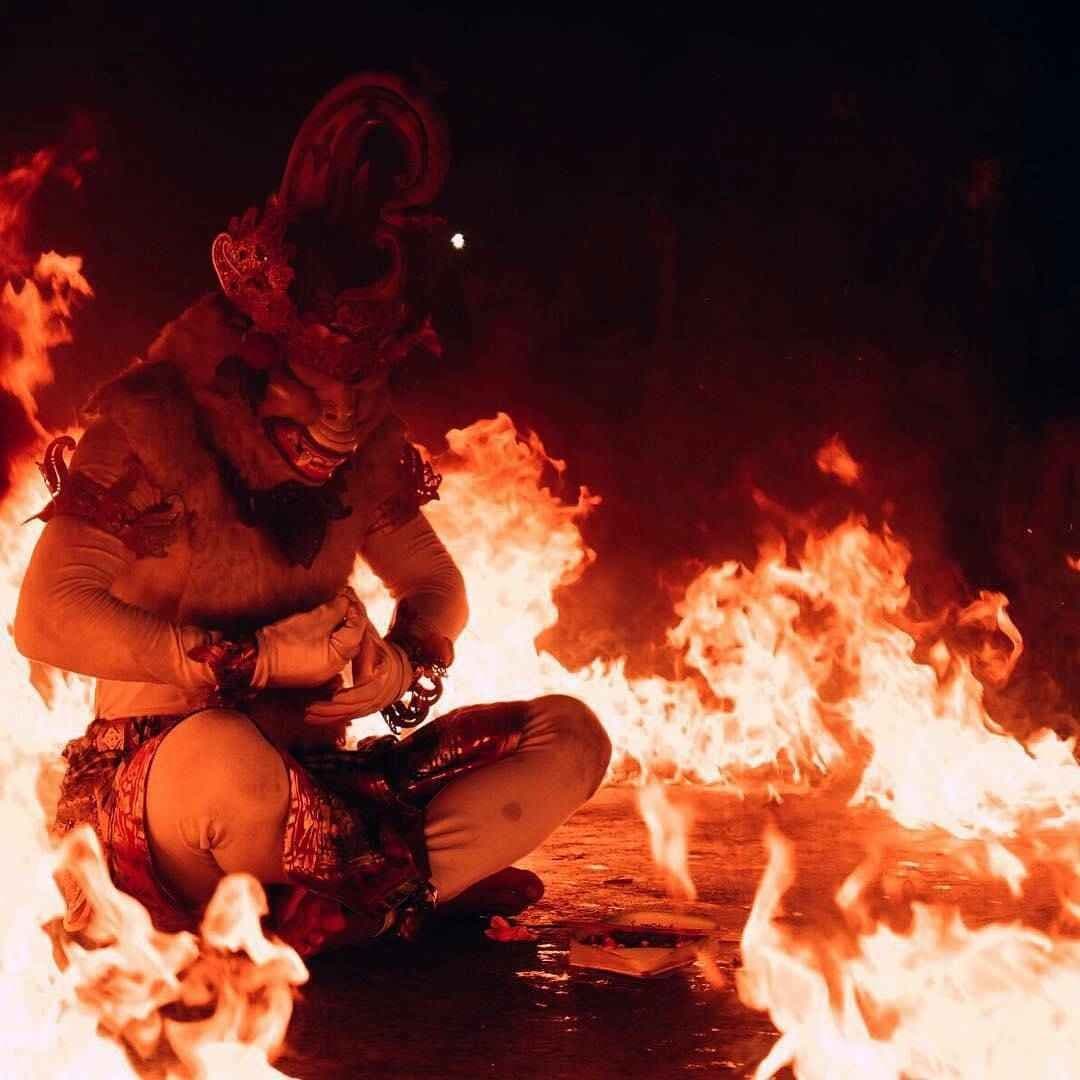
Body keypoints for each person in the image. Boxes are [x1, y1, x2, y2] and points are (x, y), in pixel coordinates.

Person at [14, 74, 610, 956]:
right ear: (248, 364)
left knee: (569, 735)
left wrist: (402, 664)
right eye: (316, 380)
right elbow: (44, 616)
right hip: (170, 796)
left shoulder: (363, 452)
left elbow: (433, 580)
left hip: (326, 789)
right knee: (226, 761)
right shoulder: (149, 427)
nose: (341, 414)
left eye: (363, 384)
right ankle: (369, 901)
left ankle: (346, 908)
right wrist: (248, 663)